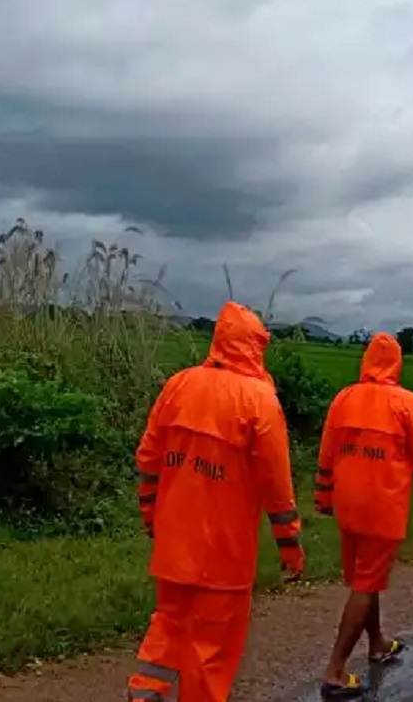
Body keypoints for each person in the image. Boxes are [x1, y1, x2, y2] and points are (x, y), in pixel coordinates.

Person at [127, 301, 306, 702]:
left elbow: (149, 459)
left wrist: (150, 514)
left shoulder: (178, 385)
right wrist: (290, 546)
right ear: (255, 346)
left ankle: (144, 691)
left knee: (168, 626)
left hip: (173, 544)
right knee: (209, 656)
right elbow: (277, 487)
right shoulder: (260, 401)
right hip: (223, 556)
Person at [313, 333, 413, 698]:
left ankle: (377, 643)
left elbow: (327, 451)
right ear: (396, 364)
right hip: (382, 507)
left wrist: (322, 495)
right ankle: (335, 672)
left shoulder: (344, 399)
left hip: (347, 503)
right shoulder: (406, 403)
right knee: (365, 583)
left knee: (364, 578)